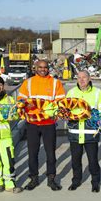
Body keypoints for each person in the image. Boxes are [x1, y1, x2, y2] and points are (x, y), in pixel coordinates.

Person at [17, 59, 65, 191]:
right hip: (32, 122)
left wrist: (52, 109)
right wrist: (27, 103)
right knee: (33, 152)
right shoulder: (28, 82)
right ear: (35, 68)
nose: (43, 69)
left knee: (50, 153)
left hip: (48, 123)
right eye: (40, 67)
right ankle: (33, 178)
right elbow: (20, 99)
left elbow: (61, 101)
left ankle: (51, 178)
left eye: (45, 67)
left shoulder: (55, 83)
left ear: (48, 68)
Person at [66, 70, 101, 193]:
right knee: (75, 160)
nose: (81, 80)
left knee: (93, 161)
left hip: (91, 133)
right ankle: (76, 181)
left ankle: (95, 183)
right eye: (79, 77)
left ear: (89, 78)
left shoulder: (97, 93)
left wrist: (97, 117)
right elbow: (65, 110)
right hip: (75, 133)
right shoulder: (71, 92)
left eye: (84, 77)